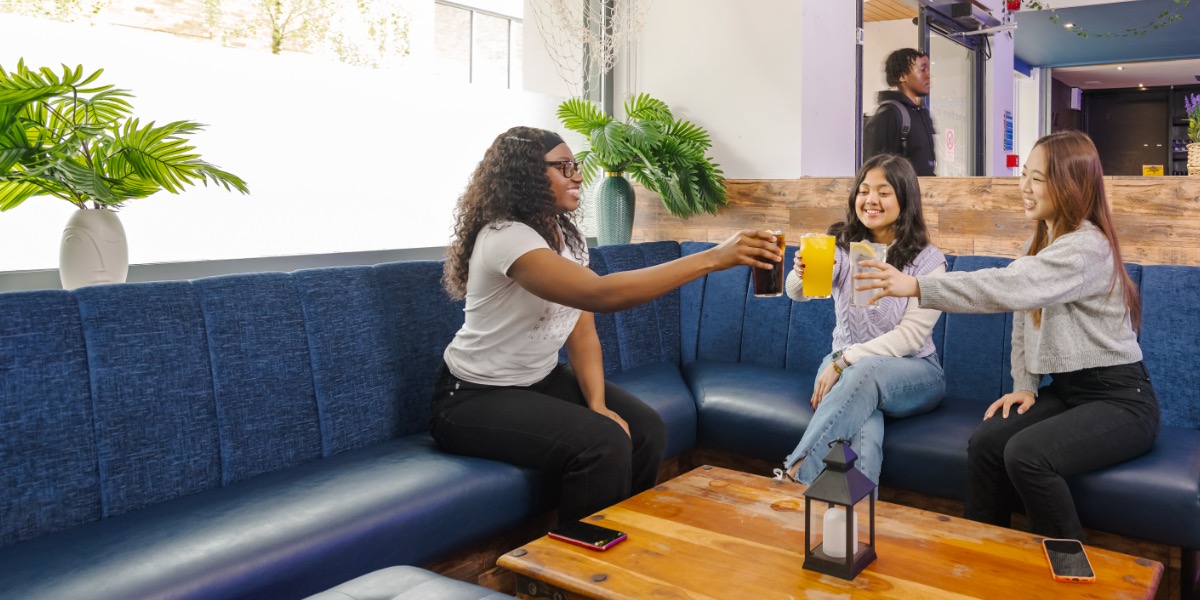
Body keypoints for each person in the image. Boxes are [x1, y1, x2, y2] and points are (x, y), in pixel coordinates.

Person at [431, 125, 783, 526]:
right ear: (526, 173)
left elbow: (582, 330)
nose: (578, 174)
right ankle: (577, 569)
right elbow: (601, 295)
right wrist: (712, 258)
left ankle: (622, 538)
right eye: (564, 167)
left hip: (539, 381)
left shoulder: (567, 238)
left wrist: (597, 403)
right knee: (604, 443)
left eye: (575, 165)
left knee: (647, 429)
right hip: (472, 397)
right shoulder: (506, 237)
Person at [856, 130, 1159, 542]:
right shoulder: (1039, 242)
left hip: (1121, 401)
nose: (1024, 188)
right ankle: (987, 555)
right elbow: (1023, 317)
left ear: (1071, 184)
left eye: (1037, 178)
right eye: (1024, 175)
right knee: (986, 442)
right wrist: (1026, 386)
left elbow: (1006, 287)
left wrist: (917, 286)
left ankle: (1071, 572)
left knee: (1027, 455)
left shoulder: (1086, 248)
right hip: (1069, 393)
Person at [776, 153, 946, 488]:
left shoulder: (929, 262)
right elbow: (800, 293)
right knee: (865, 428)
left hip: (915, 371)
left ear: (905, 199)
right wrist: (800, 273)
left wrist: (844, 362)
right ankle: (858, 530)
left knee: (864, 373)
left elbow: (910, 338)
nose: (870, 200)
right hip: (847, 366)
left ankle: (797, 473)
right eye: (864, 190)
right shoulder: (841, 246)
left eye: (883, 192)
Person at [863, 48, 936, 176]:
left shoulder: (923, 114)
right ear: (902, 76)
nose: (928, 74)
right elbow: (875, 170)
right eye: (922, 69)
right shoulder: (888, 115)